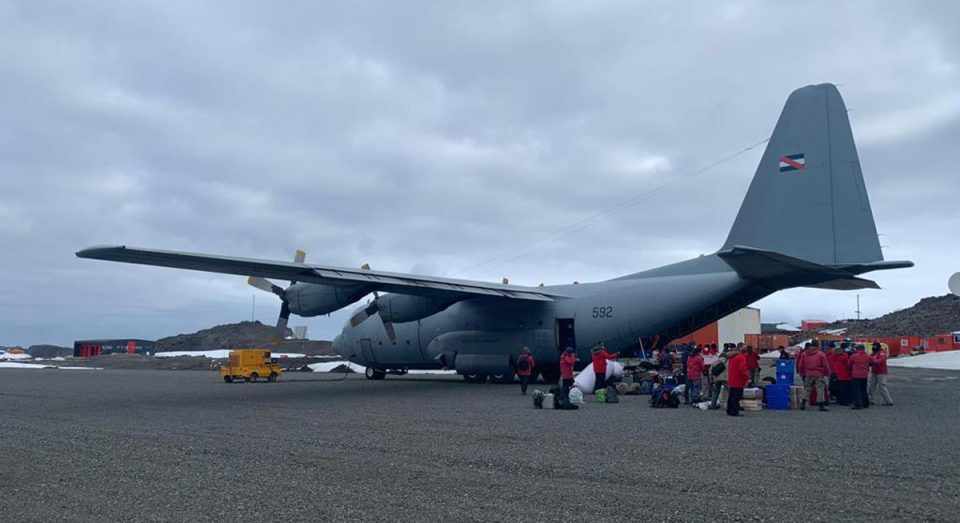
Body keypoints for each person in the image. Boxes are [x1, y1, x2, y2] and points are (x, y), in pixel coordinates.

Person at [799, 342, 831, 411]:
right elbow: (825, 365)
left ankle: (803, 403)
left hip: (808, 373)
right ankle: (821, 405)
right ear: (817, 346)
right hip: (819, 374)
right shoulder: (821, 354)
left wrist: (801, 372)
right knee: (820, 389)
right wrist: (827, 373)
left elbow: (801, 364)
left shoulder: (804, 354)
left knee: (807, 388)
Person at [726, 345, 749, 416]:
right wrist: (747, 378)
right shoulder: (741, 357)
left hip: (731, 379)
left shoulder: (731, 357)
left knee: (731, 396)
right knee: (736, 397)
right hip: (738, 380)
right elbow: (743, 369)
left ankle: (729, 410)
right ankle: (734, 411)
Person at [849, 344, 872, 409]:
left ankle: (858, 404)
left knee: (856, 390)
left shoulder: (853, 356)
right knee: (863, 389)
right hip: (864, 375)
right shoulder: (867, 356)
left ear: (857, 349)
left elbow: (849, 364)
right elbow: (872, 362)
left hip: (855, 375)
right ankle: (865, 403)